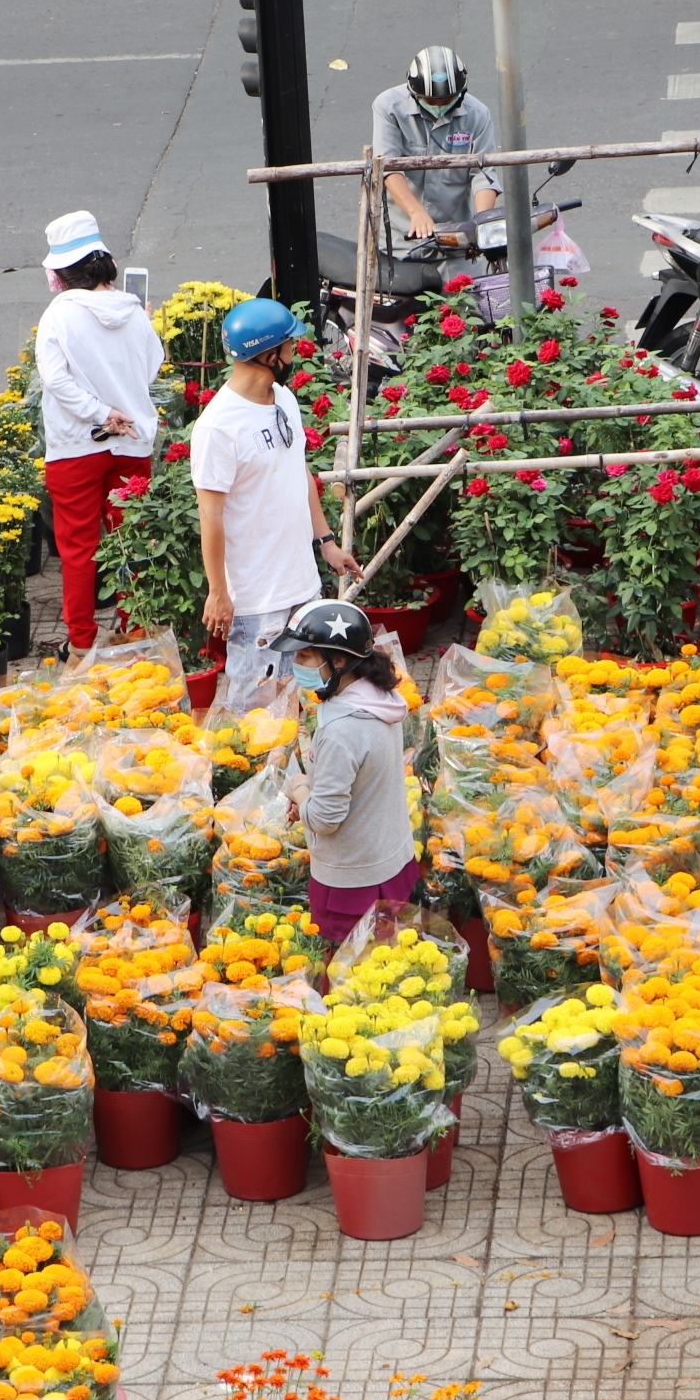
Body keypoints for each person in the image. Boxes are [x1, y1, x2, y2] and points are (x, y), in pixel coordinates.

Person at [192, 299, 361, 686]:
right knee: (255, 716)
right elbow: (211, 516)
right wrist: (218, 592)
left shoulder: (283, 399)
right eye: (288, 345)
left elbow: (297, 471)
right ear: (270, 355)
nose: (294, 351)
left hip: (301, 585)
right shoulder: (217, 428)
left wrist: (326, 542)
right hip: (257, 602)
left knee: (305, 699)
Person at [34, 210, 161, 652]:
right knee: (132, 543)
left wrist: (98, 413)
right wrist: (115, 410)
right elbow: (149, 370)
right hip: (132, 442)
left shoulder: (58, 316)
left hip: (74, 447)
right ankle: (134, 632)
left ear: (62, 273)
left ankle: (82, 644)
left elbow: (55, 380)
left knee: (78, 549)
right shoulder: (134, 312)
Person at [274, 599, 416, 945]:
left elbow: (324, 818)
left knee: (349, 980)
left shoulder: (341, 731)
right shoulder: (380, 699)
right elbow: (358, 780)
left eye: (305, 657)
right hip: (391, 861)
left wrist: (299, 788)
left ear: (338, 661)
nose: (296, 665)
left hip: (352, 884)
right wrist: (316, 789)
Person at [372, 47, 501, 240]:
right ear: (414, 93)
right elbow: (388, 168)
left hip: (455, 236)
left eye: (447, 100)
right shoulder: (388, 108)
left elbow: (483, 174)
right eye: (432, 101)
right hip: (400, 238)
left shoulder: (478, 115)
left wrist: (480, 225)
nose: (440, 107)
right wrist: (416, 213)